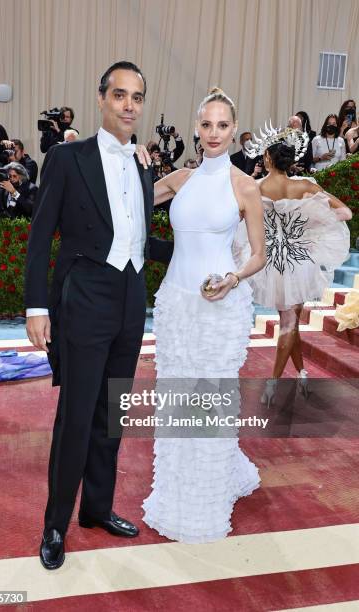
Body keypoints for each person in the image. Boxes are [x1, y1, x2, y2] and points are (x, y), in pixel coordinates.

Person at [25, 61, 169, 570]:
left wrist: (190, 252)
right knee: (76, 417)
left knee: (111, 413)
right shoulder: (66, 158)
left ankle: (98, 509)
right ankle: (55, 524)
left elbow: (134, 237)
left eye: (137, 97)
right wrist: (37, 305)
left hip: (130, 302)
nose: (129, 105)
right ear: (102, 99)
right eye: (120, 95)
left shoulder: (143, 163)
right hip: (84, 300)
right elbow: (41, 236)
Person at [142, 88, 266, 543]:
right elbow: (125, 204)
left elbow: (258, 255)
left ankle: (206, 499)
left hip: (218, 310)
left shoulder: (244, 186)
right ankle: (175, 494)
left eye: (222, 125)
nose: (214, 133)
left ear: (233, 130)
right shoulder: (178, 179)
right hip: (176, 304)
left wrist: (233, 279)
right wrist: (130, 162)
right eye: (207, 124)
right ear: (196, 127)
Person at [242, 126, 351, 406]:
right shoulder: (304, 186)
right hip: (301, 262)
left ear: (267, 158)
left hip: (272, 262)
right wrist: (309, 218)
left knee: (288, 323)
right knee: (291, 323)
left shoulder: (255, 188)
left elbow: (239, 220)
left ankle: (289, 377)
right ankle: (283, 380)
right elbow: (344, 212)